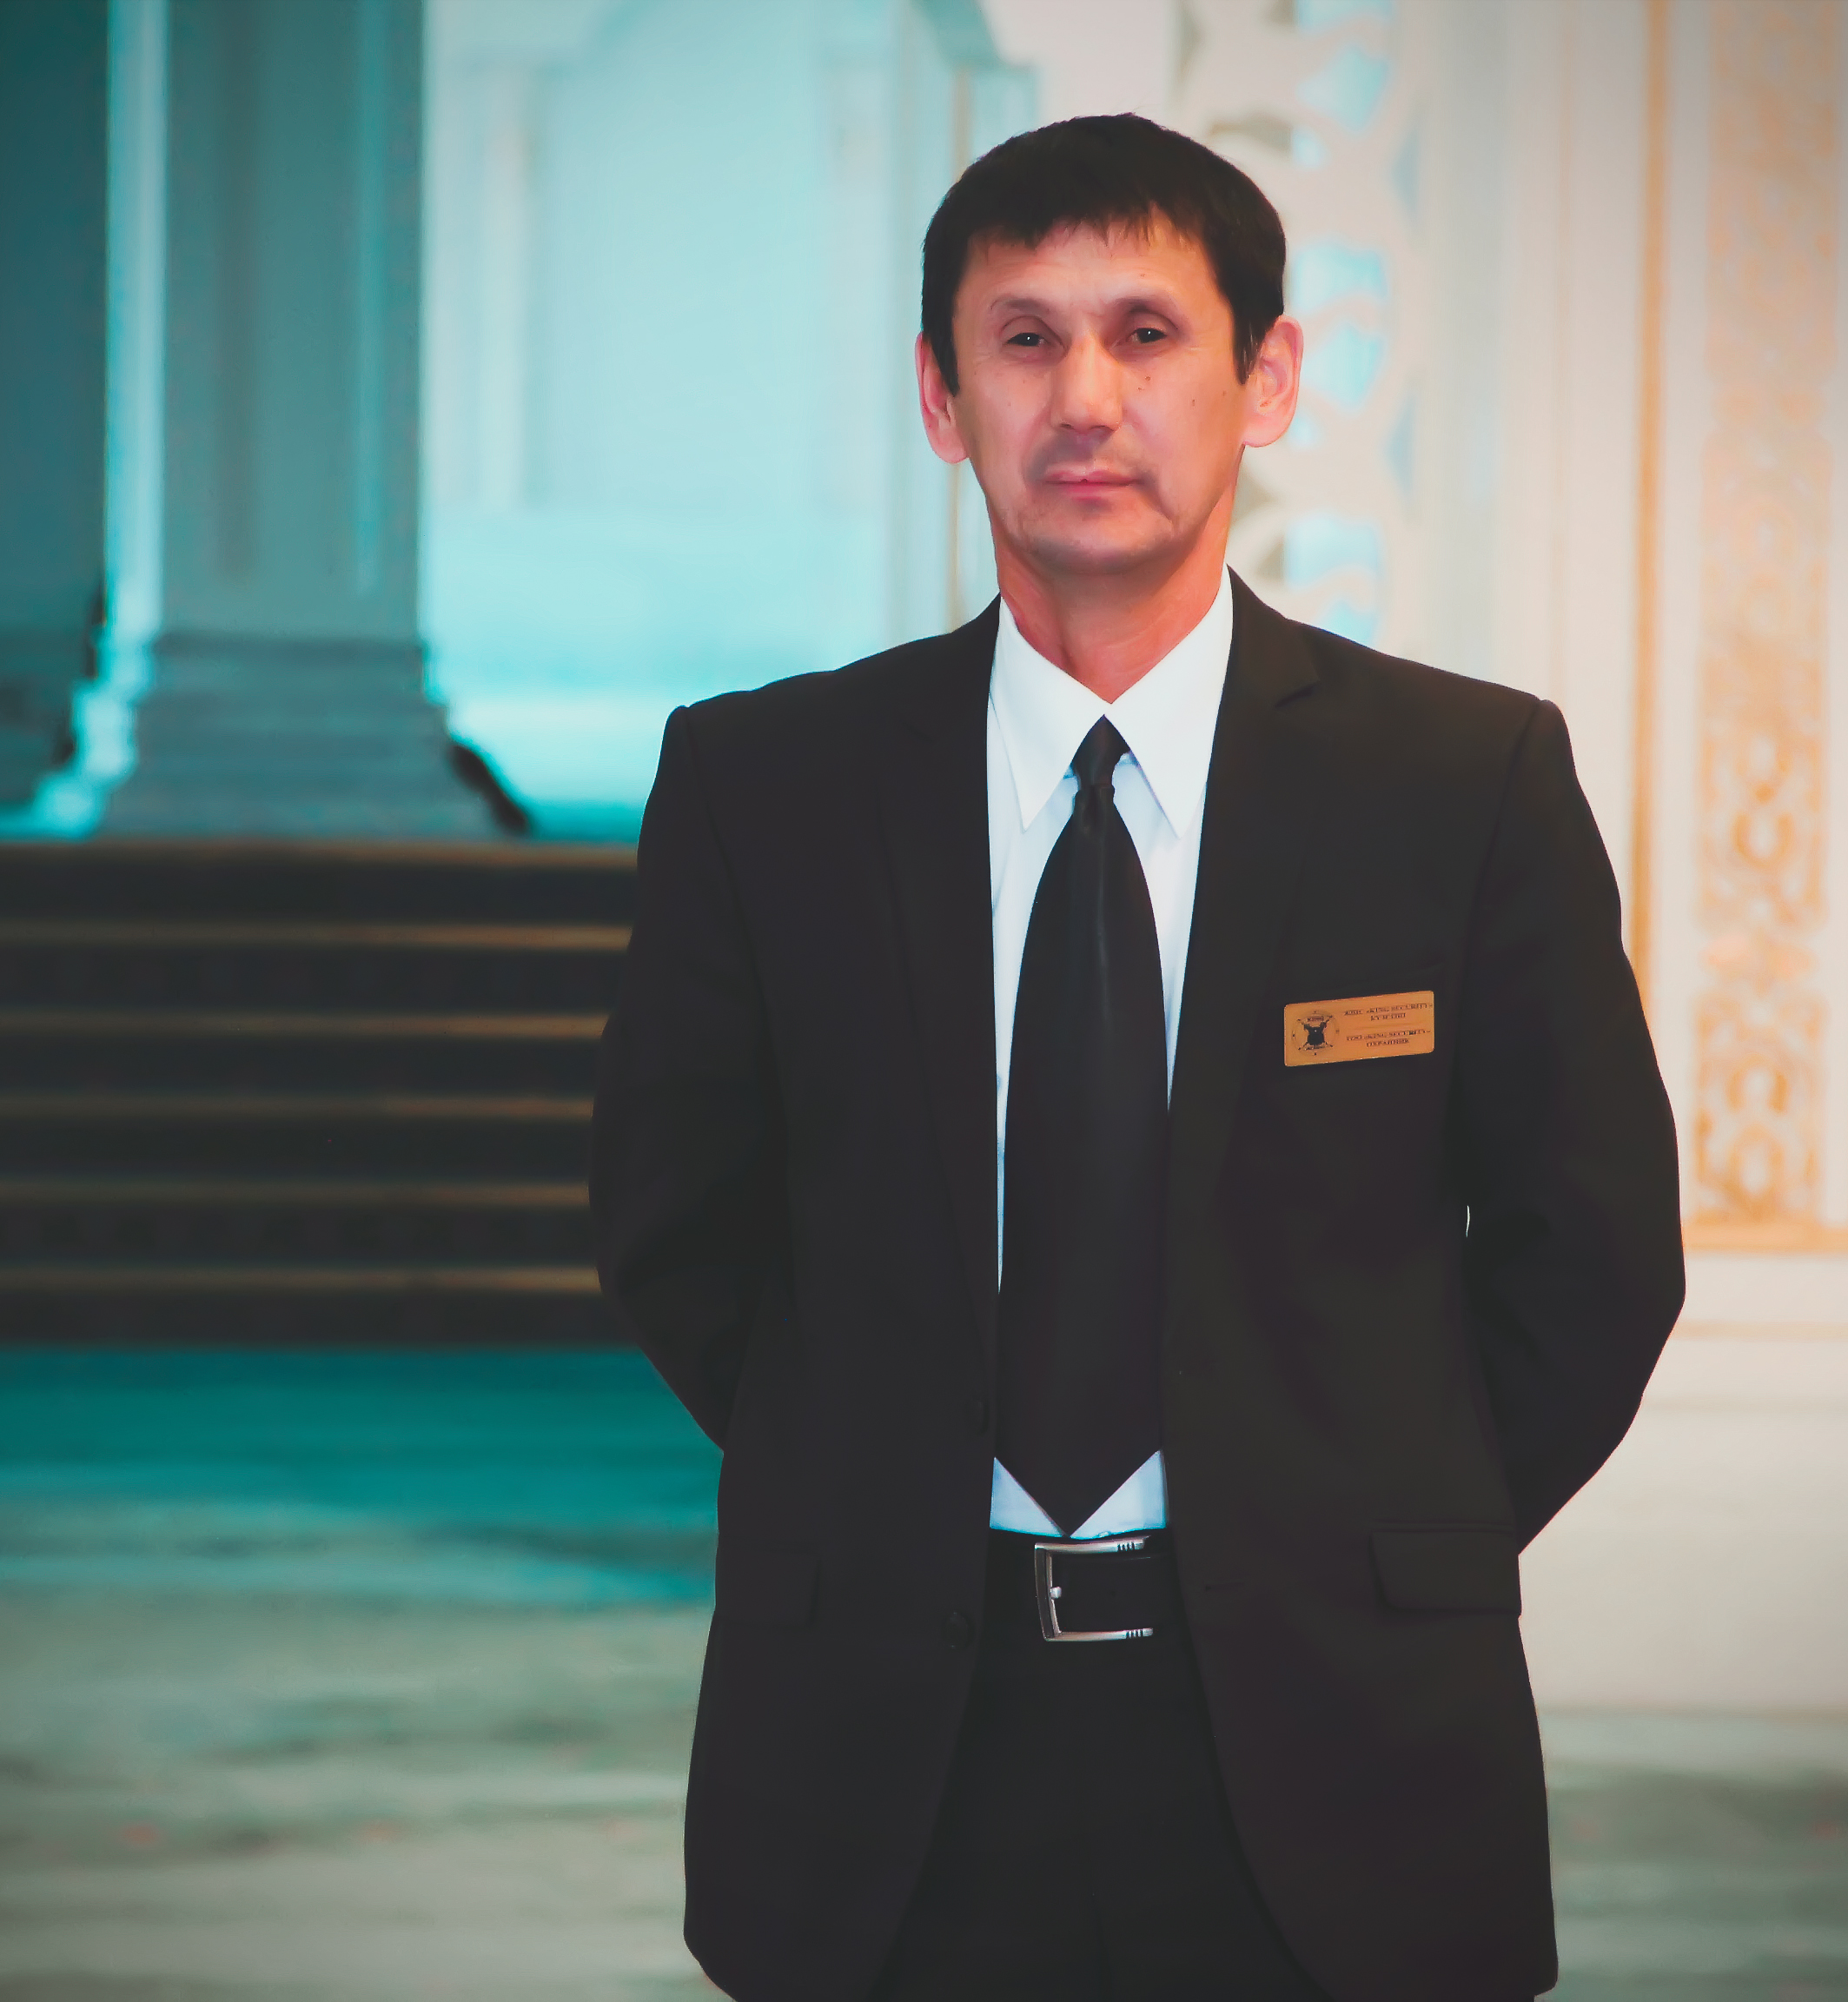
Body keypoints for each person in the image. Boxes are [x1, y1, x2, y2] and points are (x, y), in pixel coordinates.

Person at [590, 114, 1683, 2002]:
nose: (1085, 398)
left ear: (1269, 379)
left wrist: (1352, 1536)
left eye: (1147, 334)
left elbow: (1593, 1260)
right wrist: (876, 1491)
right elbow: (675, 1230)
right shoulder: (766, 789)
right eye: (1024, 339)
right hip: (884, 1747)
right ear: (941, 398)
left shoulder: (1461, 784)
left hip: (1335, 1736)